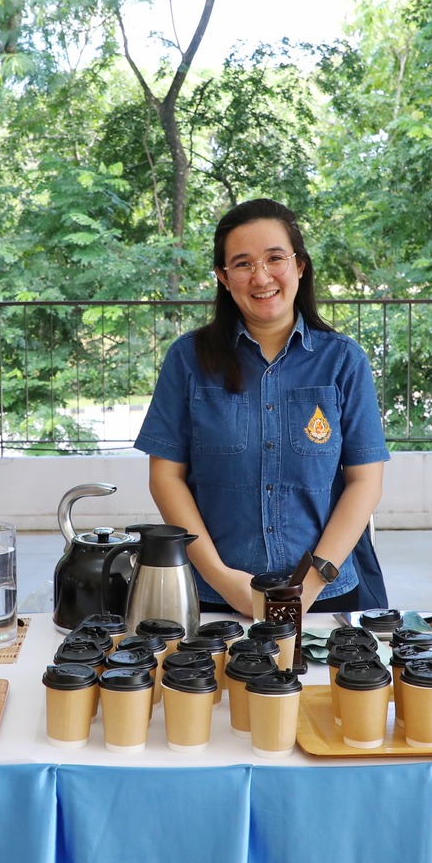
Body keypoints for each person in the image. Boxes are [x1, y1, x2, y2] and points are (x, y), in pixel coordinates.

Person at [136, 198, 388, 618]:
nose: (261, 276)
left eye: (275, 258)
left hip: (323, 600)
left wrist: (309, 584)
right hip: (214, 597)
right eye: (242, 263)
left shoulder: (343, 360)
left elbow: (365, 481)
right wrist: (221, 577)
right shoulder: (187, 360)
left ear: (300, 266)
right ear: (223, 276)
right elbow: (166, 477)